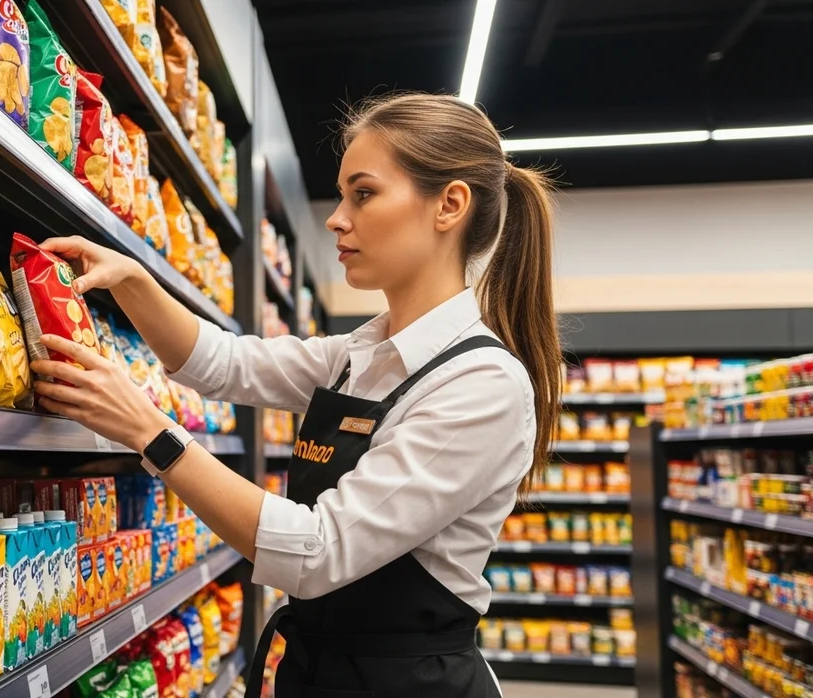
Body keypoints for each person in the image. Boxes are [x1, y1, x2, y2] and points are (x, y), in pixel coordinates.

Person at [30, 93, 561, 697]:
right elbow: (223, 362)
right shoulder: (359, 355)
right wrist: (135, 282)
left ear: (450, 205)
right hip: (318, 670)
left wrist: (150, 432)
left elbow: (316, 552)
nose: (337, 218)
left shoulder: (481, 385)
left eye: (363, 193)